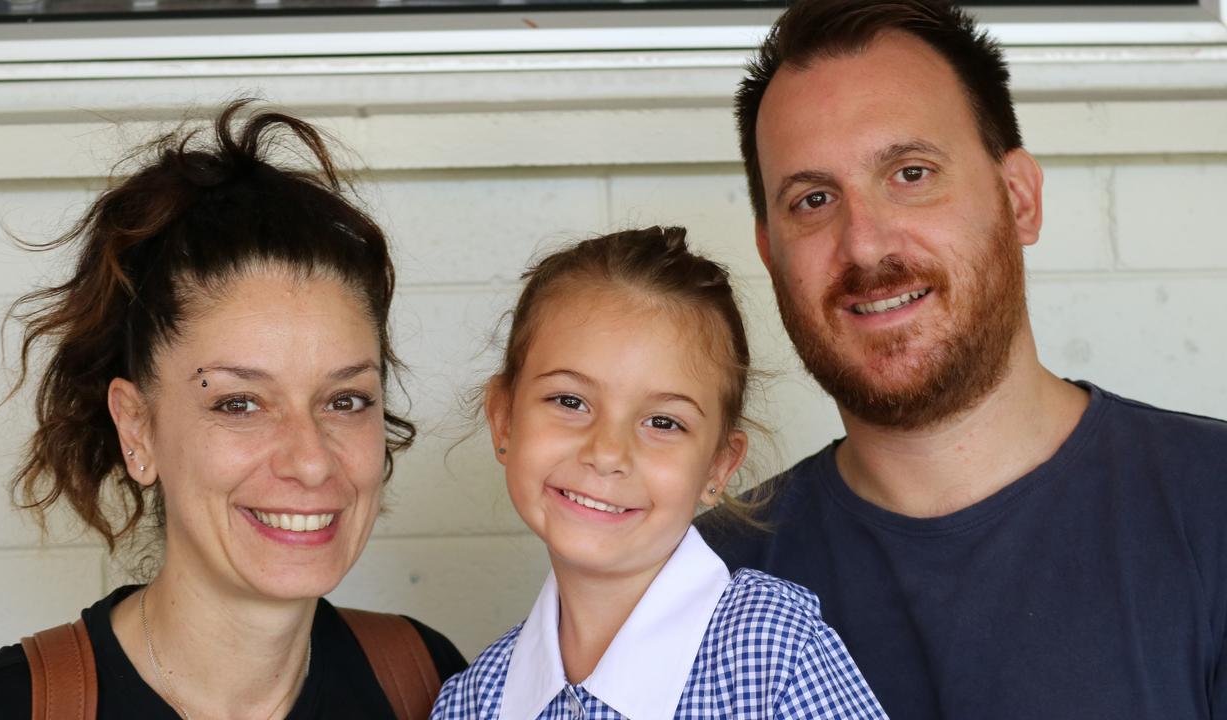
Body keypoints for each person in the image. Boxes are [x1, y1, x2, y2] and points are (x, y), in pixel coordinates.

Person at [696, 1, 1227, 719]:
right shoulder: (701, 582)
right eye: (814, 199)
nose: (864, 245)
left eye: (911, 173)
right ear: (770, 252)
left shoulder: (1211, 507)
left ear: (1019, 200)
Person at [0, 101, 466, 719]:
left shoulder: (427, 681)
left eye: (344, 400)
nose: (310, 461)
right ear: (137, 428)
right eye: (240, 403)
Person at [431, 226, 886, 718]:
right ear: (504, 418)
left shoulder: (774, 653)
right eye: (570, 401)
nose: (607, 453)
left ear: (718, 466)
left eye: (663, 422)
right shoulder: (474, 701)